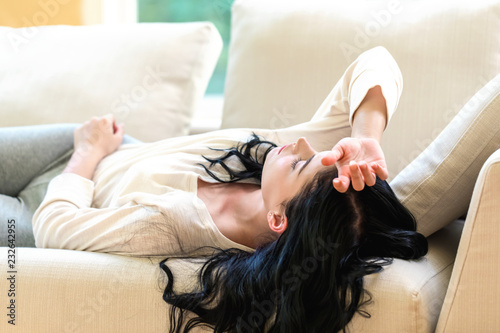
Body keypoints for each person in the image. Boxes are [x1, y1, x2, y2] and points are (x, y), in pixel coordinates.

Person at [0, 46, 427, 332]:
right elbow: (377, 60)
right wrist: (367, 136)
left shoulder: (176, 225)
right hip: (94, 151)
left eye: (300, 162)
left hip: (48, 199)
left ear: (279, 219)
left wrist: (88, 152)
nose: (298, 144)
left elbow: (56, 228)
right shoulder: (299, 177)